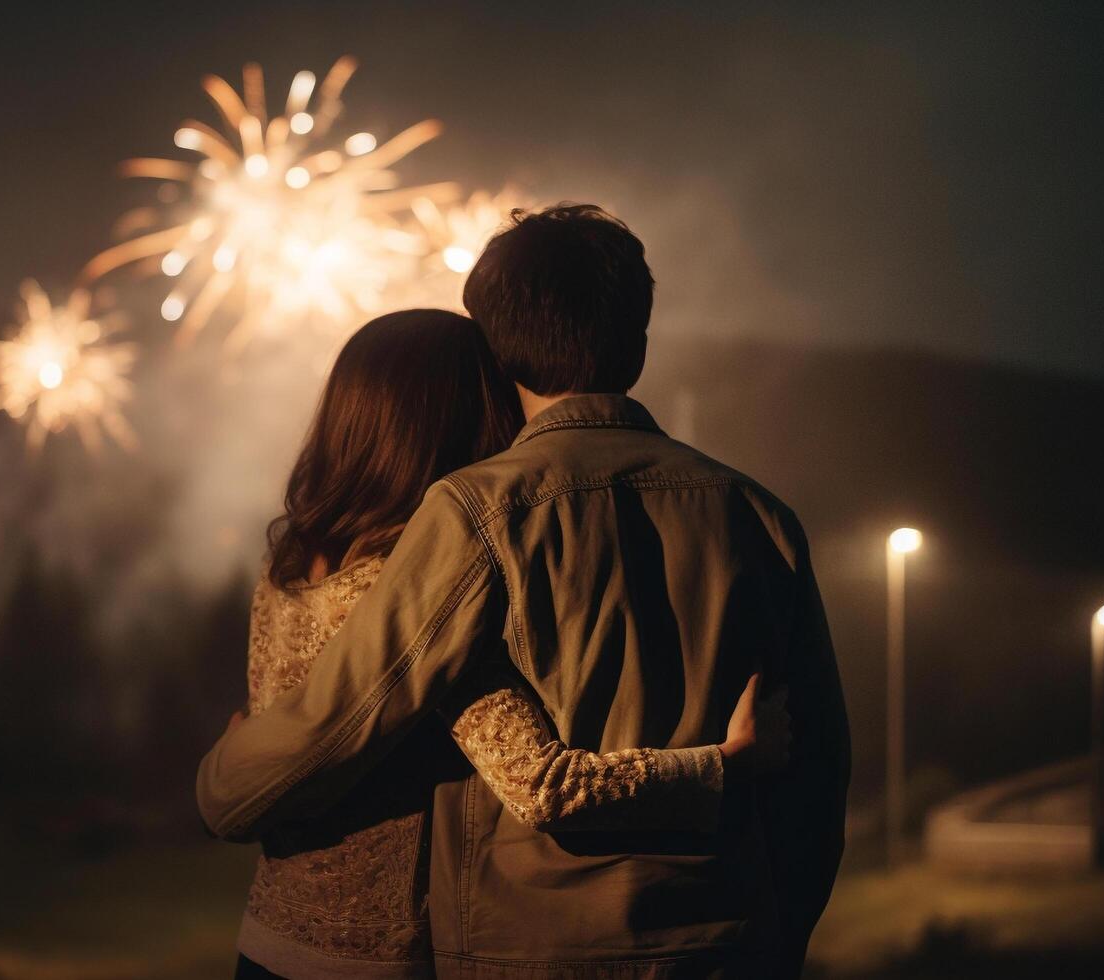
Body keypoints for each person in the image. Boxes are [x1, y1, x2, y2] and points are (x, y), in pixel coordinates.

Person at [199, 206, 850, 979]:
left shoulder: (474, 511)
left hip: (526, 946)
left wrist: (222, 778)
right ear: (639, 342)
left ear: (499, 349)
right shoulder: (759, 513)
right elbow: (818, 772)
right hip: (725, 941)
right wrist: (776, 937)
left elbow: (339, 717)